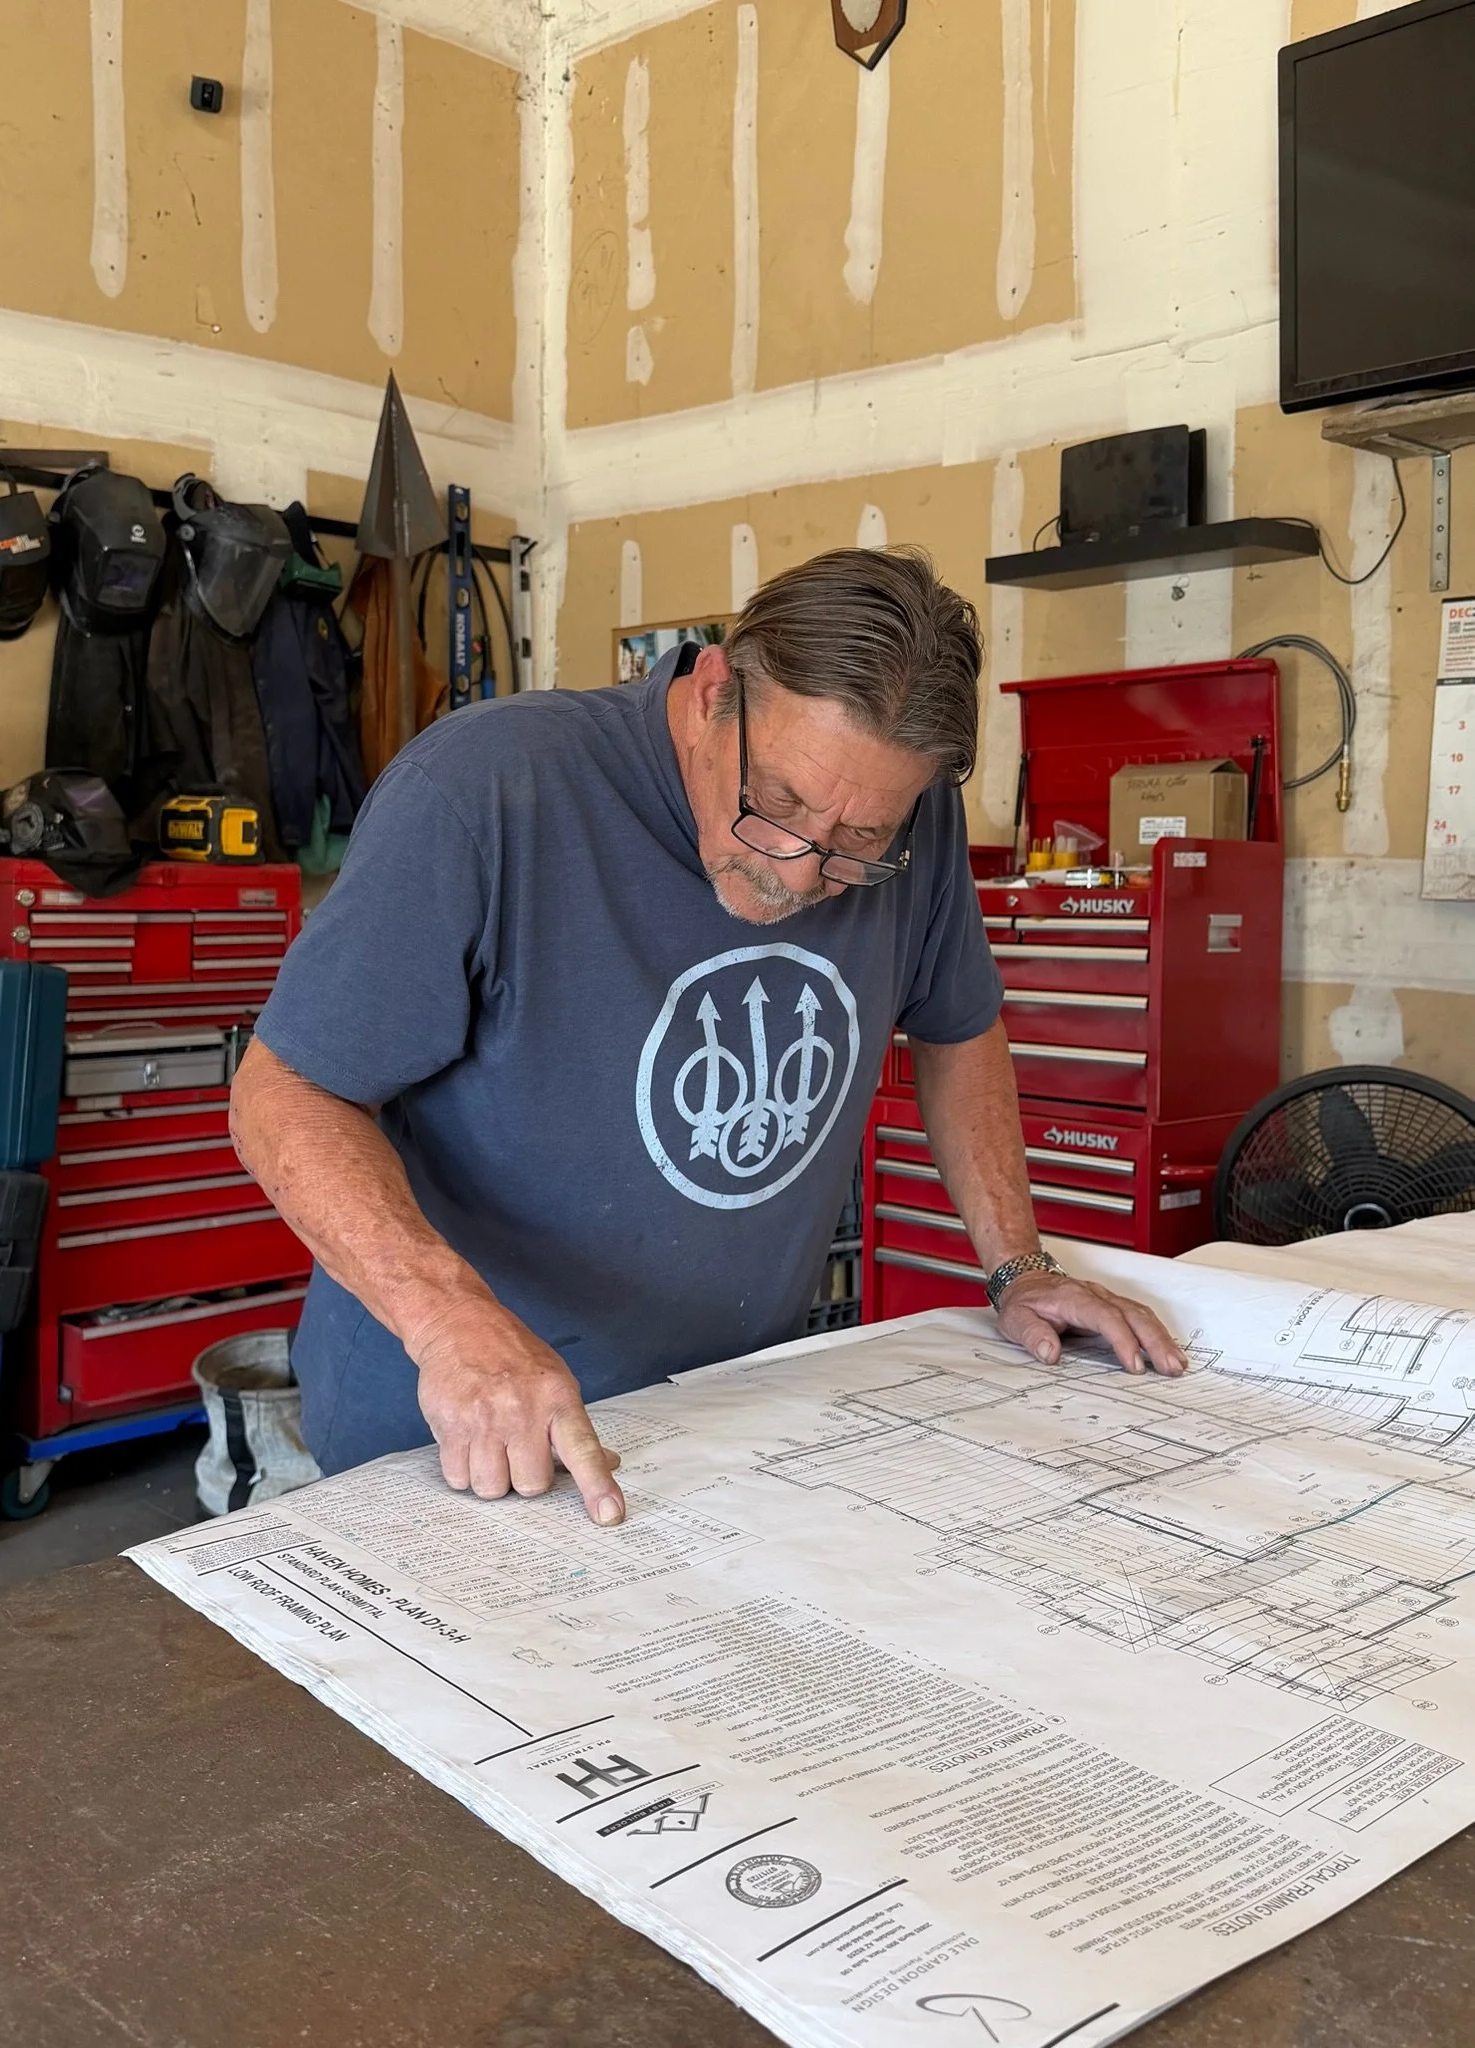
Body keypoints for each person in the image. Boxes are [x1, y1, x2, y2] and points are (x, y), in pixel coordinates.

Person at [230, 547, 1184, 1526]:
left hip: (721, 1415)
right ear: (714, 687)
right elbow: (285, 1093)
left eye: (857, 841)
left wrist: (1018, 1266)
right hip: (457, 1422)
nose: (804, 874)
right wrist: (446, 1318)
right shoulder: (487, 788)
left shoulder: (903, 809)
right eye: (777, 804)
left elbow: (957, 1026)